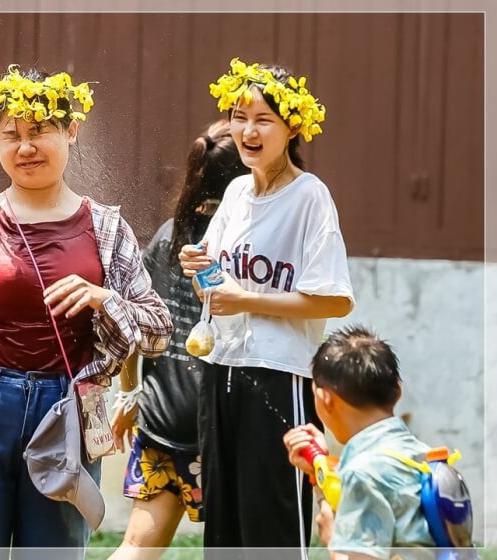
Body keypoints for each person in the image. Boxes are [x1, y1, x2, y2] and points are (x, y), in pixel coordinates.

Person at [0, 64, 173, 559]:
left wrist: (104, 299)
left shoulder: (107, 229)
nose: (25, 148)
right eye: (12, 135)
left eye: (40, 131)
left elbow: (159, 330)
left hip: (66, 414)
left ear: (71, 132)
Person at [179, 58, 355, 548]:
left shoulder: (310, 197)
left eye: (263, 120)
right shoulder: (235, 192)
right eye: (239, 116)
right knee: (223, 525)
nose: (247, 130)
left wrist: (248, 298)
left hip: (280, 377)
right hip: (221, 368)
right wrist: (200, 269)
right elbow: (213, 291)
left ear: (292, 125)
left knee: (271, 526)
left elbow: (336, 301)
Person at [108, 120, 246, 559]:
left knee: (137, 546)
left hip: (162, 418)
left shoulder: (170, 234)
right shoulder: (242, 239)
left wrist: (129, 396)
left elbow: (133, 325)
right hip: (220, 425)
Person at [283, 326, 437, 559]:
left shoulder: (362, 473)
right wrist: (318, 468)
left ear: (325, 399)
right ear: (397, 391)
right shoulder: (425, 456)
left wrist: (333, 540)